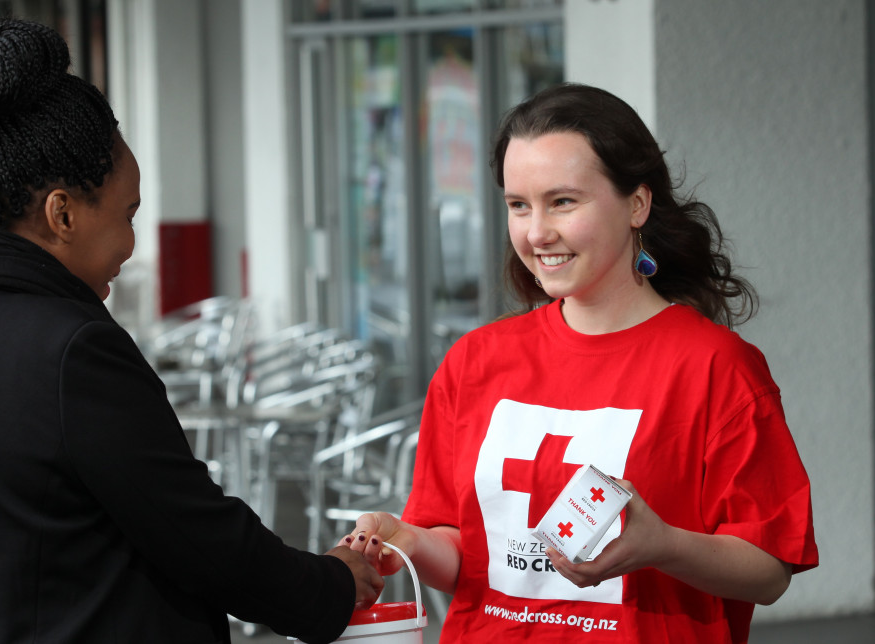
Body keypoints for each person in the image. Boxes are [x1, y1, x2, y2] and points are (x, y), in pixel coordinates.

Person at [0, 18, 380, 644]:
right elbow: (200, 539)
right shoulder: (70, 353)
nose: (131, 241)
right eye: (128, 213)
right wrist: (333, 582)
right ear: (61, 214)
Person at [345, 83, 818, 642]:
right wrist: (409, 540)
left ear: (637, 203)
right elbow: (469, 555)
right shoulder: (475, 361)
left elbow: (768, 572)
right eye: (518, 205)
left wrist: (664, 545)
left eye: (562, 201)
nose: (536, 231)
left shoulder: (717, 367)